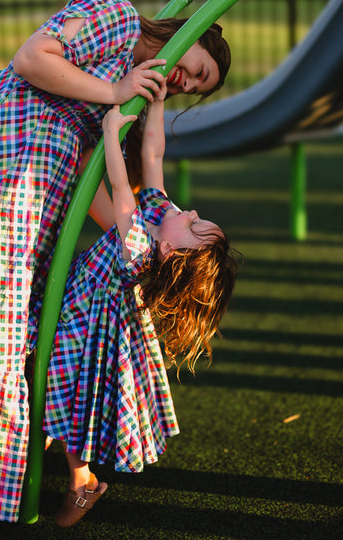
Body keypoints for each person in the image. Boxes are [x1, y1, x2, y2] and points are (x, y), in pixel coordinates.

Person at [0, 0, 230, 522]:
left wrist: (146, 242)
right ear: (194, 35)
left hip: (25, 198)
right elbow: (30, 59)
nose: (187, 83)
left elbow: (121, 189)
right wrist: (117, 95)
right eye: (198, 70)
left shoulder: (132, 97)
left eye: (197, 88)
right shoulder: (114, 16)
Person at [32, 82, 237, 528]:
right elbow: (154, 158)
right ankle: (44, 451)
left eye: (195, 224)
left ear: (171, 253)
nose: (192, 211)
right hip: (78, 306)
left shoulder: (142, 245)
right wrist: (159, 104)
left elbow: (122, 187)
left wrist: (110, 133)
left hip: (87, 326)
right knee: (49, 393)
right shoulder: (162, 217)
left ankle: (80, 481)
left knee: (62, 395)